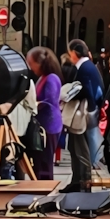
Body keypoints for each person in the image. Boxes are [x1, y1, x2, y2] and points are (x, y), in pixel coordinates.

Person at [64, 39, 106, 189]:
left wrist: (68, 94)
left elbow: (87, 90)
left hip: (83, 115)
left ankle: (84, 182)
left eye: (70, 53)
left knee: (81, 150)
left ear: (75, 53)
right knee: (75, 148)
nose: (70, 57)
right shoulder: (89, 66)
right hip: (88, 113)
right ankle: (77, 181)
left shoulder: (84, 68)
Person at [27, 47, 64, 179]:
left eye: (31, 64)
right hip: (44, 124)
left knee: (45, 161)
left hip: (49, 125)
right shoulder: (43, 78)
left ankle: (46, 188)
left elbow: (49, 101)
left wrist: (33, 105)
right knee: (40, 160)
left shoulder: (51, 78)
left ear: (40, 63)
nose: (31, 68)